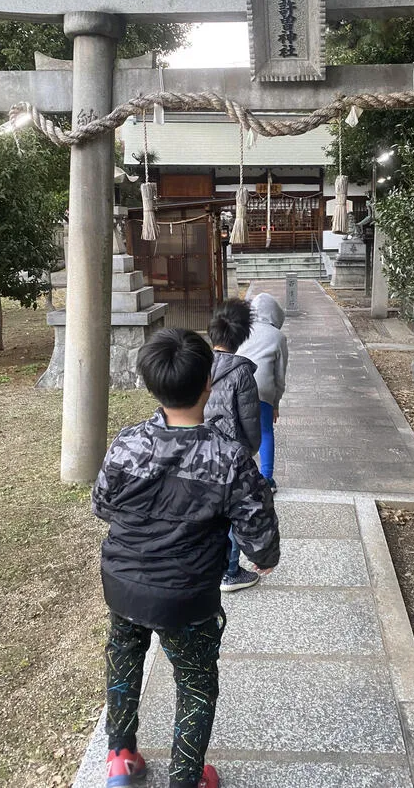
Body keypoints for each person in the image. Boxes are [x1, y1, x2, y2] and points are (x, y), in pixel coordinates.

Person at [92, 328, 279, 788]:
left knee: (124, 658)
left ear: (152, 385)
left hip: (123, 581)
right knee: (195, 682)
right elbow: (257, 527)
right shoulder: (229, 456)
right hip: (187, 593)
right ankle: (186, 778)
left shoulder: (127, 442)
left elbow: (102, 505)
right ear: (207, 385)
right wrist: (263, 558)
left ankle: (120, 758)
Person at [204, 299, 262, 594]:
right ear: (241, 337)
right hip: (233, 452)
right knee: (234, 511)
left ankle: (209, 564)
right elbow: (250, 419)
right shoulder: (242, 373)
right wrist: (251, 449)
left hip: (200, 450)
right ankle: (229, 571)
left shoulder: (198, 365)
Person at [236, 292, 288, 494]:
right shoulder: (278, 336)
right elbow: (279, 375)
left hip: (239, 385)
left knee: (239, 431)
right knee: (265, 432)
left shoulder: (241, 330)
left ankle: (240, 476)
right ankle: (266, 479)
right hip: (263, 388)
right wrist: (275, 403)